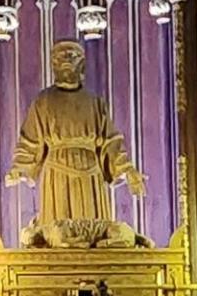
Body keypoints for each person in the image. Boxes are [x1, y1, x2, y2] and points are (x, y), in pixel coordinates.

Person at [8, 43, 143, 249]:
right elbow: (30, 141)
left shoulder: (95, 102)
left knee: (95, 234)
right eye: (62, 61)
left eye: (73, 60)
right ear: (54, 66)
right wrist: (20, 168)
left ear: (82, 67)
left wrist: (127, 169)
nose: (67, 65)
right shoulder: (43, 102)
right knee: (58, 234)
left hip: (91, 175)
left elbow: (111, 141)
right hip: (57, 174)